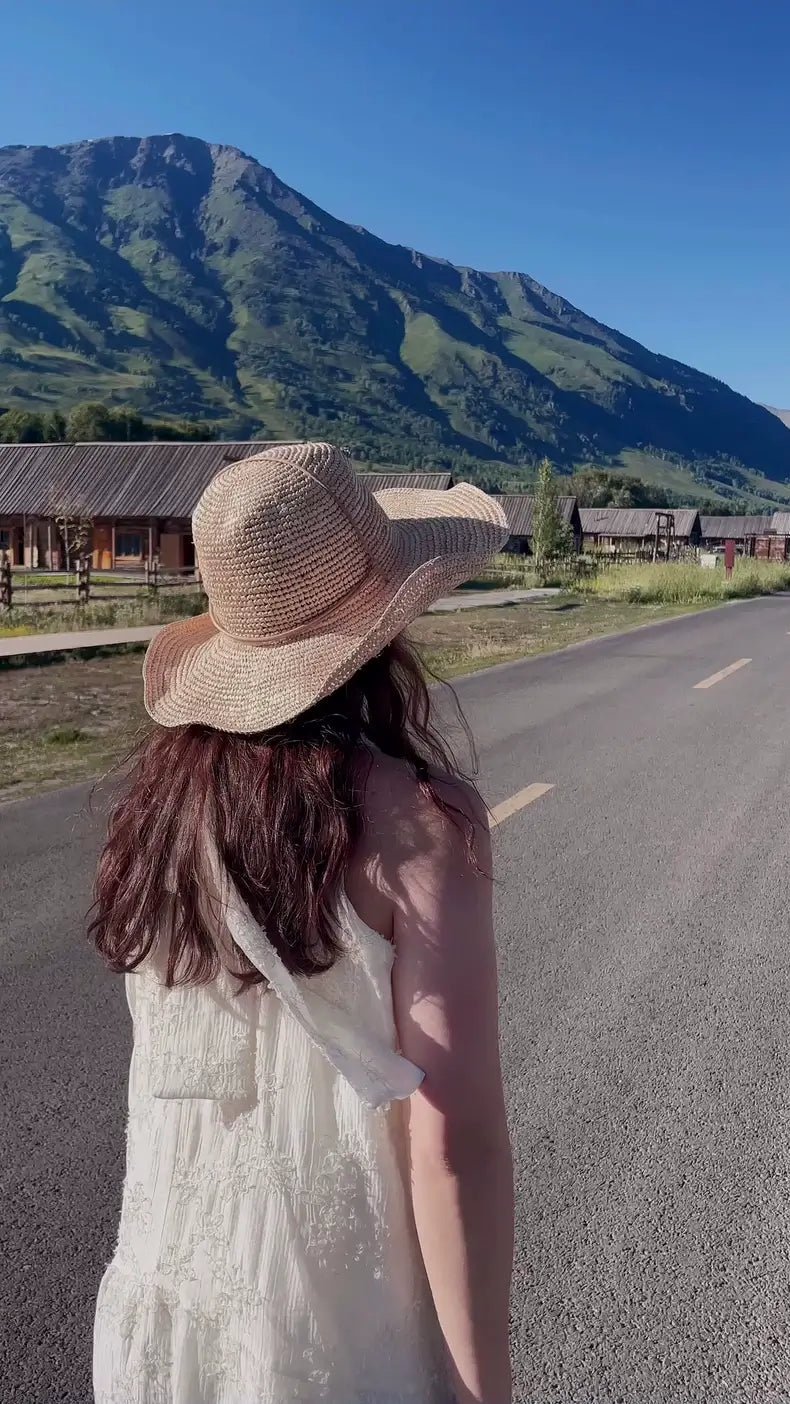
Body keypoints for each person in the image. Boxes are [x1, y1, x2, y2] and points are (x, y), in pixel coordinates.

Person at [90, 442, 514, 1404]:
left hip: (168, 1318)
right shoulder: (416, 821)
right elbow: (456, 1142)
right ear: (391, 623)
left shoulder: (154, 814)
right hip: (338, 1326)